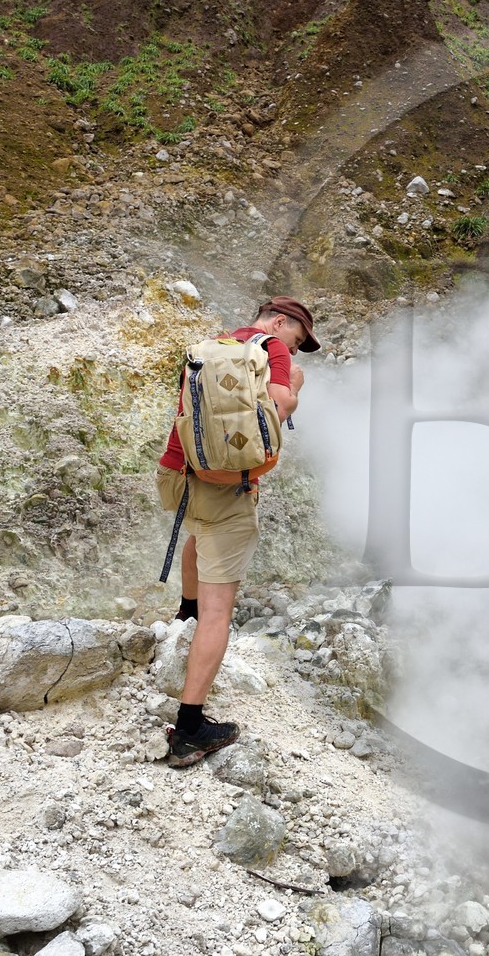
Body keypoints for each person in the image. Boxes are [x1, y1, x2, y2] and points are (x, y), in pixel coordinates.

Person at [156, 296, 320, 767]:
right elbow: (280, 407)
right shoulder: (273, 349)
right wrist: (296, 386)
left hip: (177, 474)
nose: (296, 348)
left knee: (198, 532)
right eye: (298, 338)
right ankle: (190, 729)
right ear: (279, 321)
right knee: (219, 612)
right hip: (225, 486)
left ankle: (184, 614)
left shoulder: (213, 345)